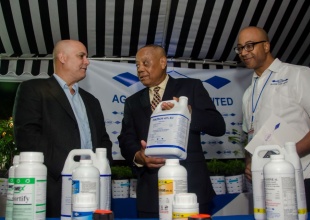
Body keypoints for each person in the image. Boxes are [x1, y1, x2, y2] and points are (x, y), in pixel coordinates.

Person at [118, 44, 226, 217]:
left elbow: (218, 126)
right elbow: (126, 140)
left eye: (145, 63)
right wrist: (138, 156)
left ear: (162, 62)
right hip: (151, 195)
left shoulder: (191, 87)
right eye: (137, 65)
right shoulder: (132, 102)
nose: (140, 69)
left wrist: (189, 113)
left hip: (192, 190)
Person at [13, 40, 113, 217]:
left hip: (94, 187)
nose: (87, 62)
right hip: (54, 187)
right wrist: (69, 171)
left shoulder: (92, 101)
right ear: (62, 58)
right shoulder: (34, 89)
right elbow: (27, 136)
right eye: (81, 56)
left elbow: (103, 140)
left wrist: (100, 170)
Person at [235, 26, 310, 211]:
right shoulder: (248, 93)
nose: (244, 52)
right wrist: (250, 163)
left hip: (304, 175)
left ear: (266, 46)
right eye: (240, 48)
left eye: (250, 46)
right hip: (267, 182)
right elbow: (249, 135)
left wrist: (286, 156)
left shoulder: (298, 74)